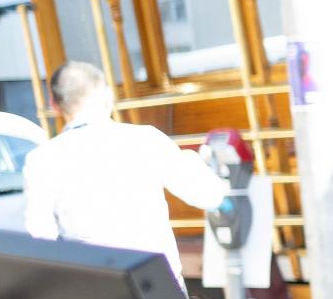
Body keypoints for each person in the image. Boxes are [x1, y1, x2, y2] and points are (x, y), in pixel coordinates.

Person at [22, 61, 225, 281]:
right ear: (108, 95)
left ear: (54, 105)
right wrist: (195, 161)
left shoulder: (41, 160)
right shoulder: (145, 139)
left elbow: (40, 236)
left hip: (94, 284)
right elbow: (208, 195)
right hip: (157, 279)